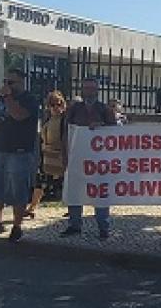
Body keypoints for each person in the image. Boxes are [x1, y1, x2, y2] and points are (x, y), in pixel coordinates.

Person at [0, 68, 40, 242]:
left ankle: (17, 226)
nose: (7, 85)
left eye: (11, 82)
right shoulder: (1, 99)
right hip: (0, 147)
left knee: (17, 189)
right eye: (5, 82)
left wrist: (8, 98)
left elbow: (19, 115)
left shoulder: (29, 100)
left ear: (21, 83)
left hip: (19, 151)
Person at [62, 79, 118, 239]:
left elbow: (114, 133)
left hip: (98, 161)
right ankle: (74, 225)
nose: (89, 91)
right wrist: (65, 155)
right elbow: (66, 132)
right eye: (86, 88)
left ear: (97, 91)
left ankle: (103, 227)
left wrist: (101, 126)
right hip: (76, 158)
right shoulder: (74, 109)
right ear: (82, 90)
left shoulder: (105, 110)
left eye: (92, 89)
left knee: (100, 193)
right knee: (75, 191)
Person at [25, 91, 67, 219]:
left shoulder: (65, 120)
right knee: (41, 182)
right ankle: (32, 207)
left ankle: (73, 208)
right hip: (48, 155)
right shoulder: (47, 119)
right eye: (52, 105)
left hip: (61, 155)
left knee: (67, 182)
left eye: (59, 104)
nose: (56, 107)